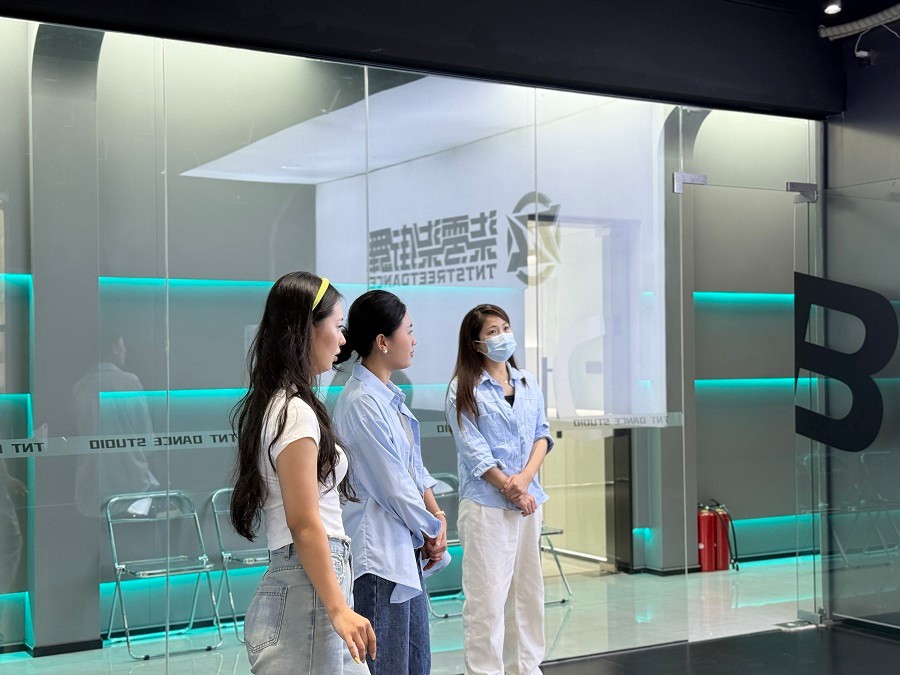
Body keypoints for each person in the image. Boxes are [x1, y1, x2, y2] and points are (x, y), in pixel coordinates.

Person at [230, 272, 375, 674]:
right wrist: (338, 608)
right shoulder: (293, 411)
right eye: (337, 326)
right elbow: (304, 522)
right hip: (309, 586)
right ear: (308, 328)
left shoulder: (284, 404)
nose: (343, 340)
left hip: (312, 581)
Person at [334, 289, 448, 675]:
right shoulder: (361, 402)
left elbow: (413, 470)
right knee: (388, 666)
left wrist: (436, 517)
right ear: (382, 342)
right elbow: (394, 487)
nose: (414, 340)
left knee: (415, 664)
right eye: (408, 331)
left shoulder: (388, 397)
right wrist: (431, 528)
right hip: (379, 559)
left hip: (403, 551)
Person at [445, 303, 553, 675]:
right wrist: (512, 488)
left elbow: (542, 435)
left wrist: (525, 482)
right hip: (487, 507)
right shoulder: (463, 388)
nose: (502, 336)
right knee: (487, 602)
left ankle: (527, 669)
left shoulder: (527, 382)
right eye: (492, 332)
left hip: (528, 504)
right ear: (476, 344)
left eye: (505, 328)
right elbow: (474, 451)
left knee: (527, 595)